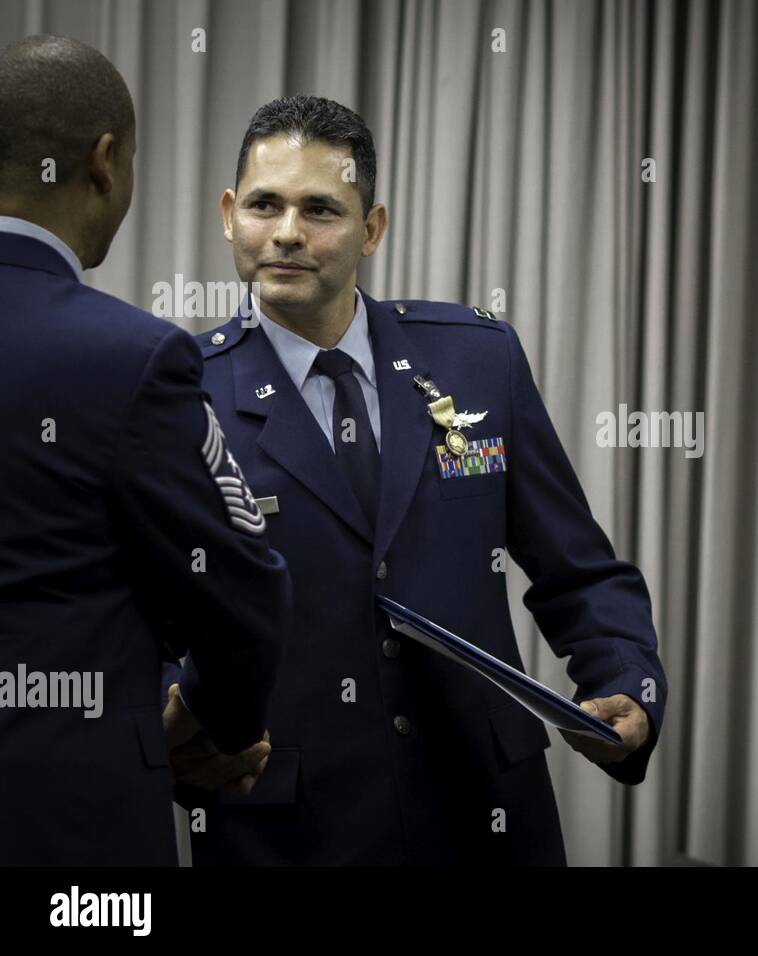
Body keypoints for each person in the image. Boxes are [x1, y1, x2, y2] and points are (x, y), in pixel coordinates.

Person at [173, 95, 667, 864]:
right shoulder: (181, 392)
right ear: (230, 215)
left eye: (321, 209)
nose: (288, 233)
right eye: (265, 205)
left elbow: (578, 571)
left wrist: (627, 682)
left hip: (484, 811)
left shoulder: (477, 359)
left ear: (372, 229)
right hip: (287, 823)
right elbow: (154, 613)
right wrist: (184, 725)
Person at [0, 35, 290, 865]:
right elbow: (241, 588)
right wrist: (219, 725)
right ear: (104, 161)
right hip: (64, 830)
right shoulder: (129, 357)